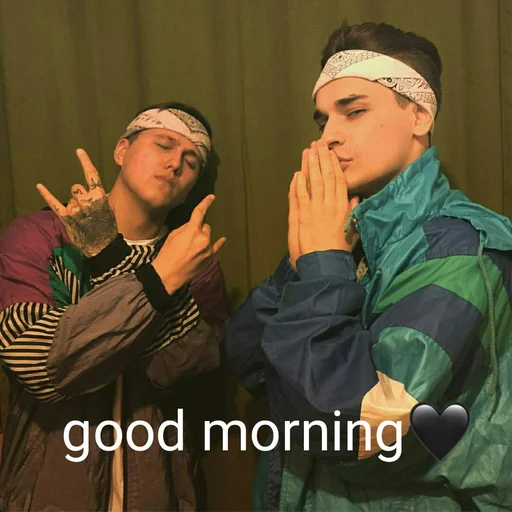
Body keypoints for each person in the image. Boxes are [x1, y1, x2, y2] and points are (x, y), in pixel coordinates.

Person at [224, 20, 512, 511]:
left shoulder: (461, 250)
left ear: (419, 115)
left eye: (353, 112)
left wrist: (322, 267)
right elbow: (252, 367)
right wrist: (300, 265)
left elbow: (363, 432)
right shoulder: (344, 235)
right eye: (322, 121)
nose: (328, 138)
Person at [0, 101, 230, 510]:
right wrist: (158, 284)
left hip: (159, 488)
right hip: (50, 487)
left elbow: (177, 369)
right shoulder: (39, 236)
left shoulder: (194, 258)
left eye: (191, 161)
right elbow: (38, 364)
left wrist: (111, 259)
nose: (175, 163)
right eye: (163, 144)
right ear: (122, 150)